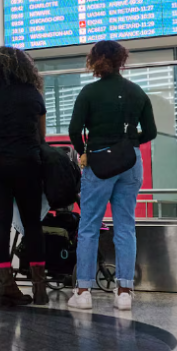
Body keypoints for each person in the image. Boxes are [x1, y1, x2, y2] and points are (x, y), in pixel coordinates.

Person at [67, 40, 157, 312]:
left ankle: (83, 292)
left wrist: (85, 151)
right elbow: (150, 132)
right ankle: (124, 293)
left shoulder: (89, 92)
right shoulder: (137, 92)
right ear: (121, 60)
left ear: (95, 61)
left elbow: (74, 130)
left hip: (99, 164)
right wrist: (126, 143)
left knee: (89, 226)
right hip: (130, 162)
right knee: (126, 225)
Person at [0, 46, 48, 307]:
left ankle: (6, 285)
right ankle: (40, 289)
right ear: (24, 68)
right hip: (27, 162)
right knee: (32, 223)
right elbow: (41, 137)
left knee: (1, 220)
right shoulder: (33, 95)